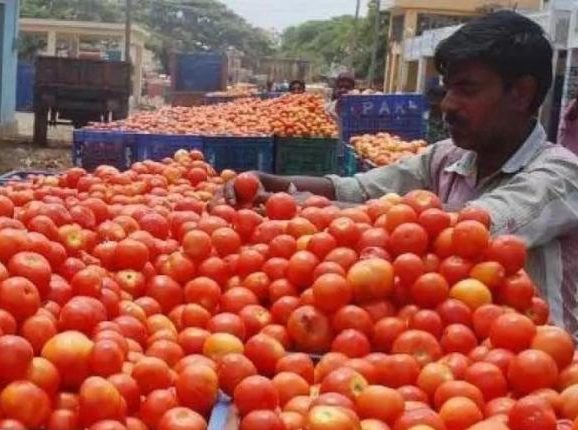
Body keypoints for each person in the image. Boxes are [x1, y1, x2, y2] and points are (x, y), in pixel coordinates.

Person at [217, 10, 578, 335]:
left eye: (467, 89)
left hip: (541, 370)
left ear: (520, 93)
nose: (448, 105)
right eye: (448, 89)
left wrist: (300, 204)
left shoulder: (560, 174)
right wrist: (273, 182)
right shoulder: (446, 157)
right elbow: (357, 189)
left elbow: (473, 229)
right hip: (455, 349)